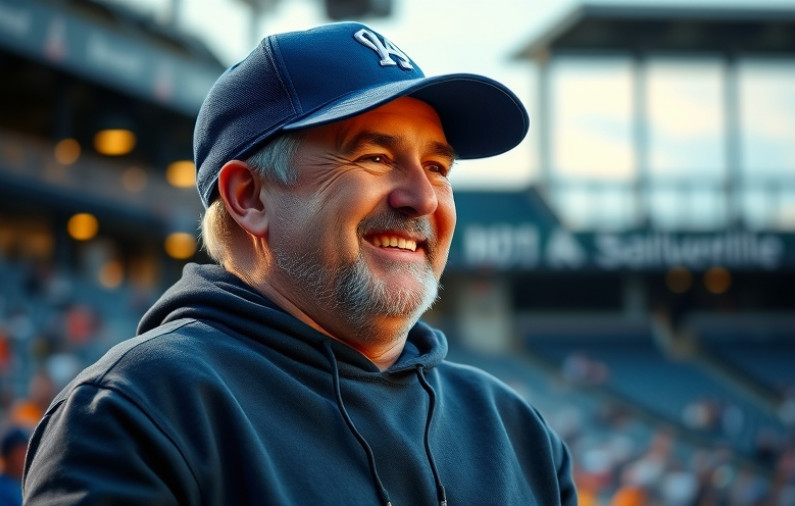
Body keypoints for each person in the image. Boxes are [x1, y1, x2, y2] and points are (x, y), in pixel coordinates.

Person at [22, 21, 576, 505]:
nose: (423, 198)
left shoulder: (517, 432)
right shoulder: (137, 413)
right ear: (250, 197)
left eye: (437, 167)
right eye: (376, 157)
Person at [0, 426, 29, 506]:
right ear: (8, 455)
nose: (25, 457)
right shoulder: (2, 488)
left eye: (26, 451)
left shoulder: (28, 484)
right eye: (20, 452)